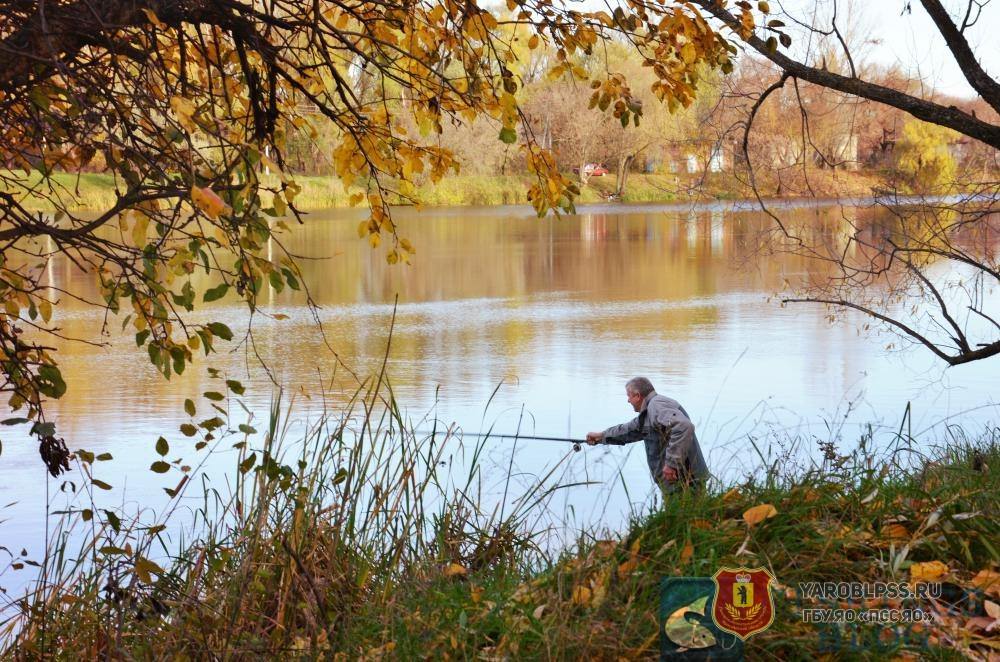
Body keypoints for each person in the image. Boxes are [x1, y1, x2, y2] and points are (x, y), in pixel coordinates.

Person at [587, 377, 708, 494]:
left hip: (686, 482)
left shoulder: (657, 405)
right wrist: (601, 436)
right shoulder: (649, 412)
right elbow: (627, 430)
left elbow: (684, 426)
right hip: (676, 484)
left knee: (686, 514)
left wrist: (671, 464)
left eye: (629, 396)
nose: (628, 400)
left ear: (638, 396)